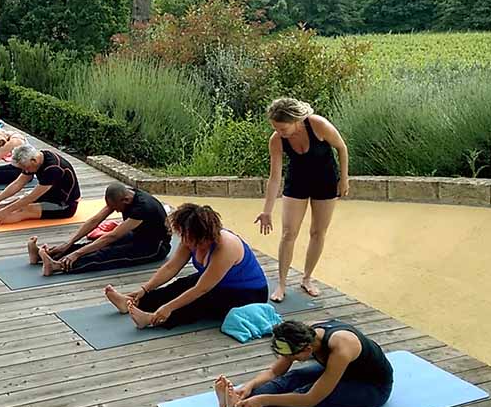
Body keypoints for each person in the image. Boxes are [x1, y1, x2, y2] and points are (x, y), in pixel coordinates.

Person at [104, 203, 268, 330]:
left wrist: (168, 308)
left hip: (248, 293)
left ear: (202, 235)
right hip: (219, 281)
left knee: (202, 300)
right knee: (180, 285)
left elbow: (201, 290)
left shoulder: (226, 247)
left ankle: (152, 319)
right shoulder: (189, 239)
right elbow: (171, 268)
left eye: (186, 236)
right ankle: (131, 302)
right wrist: (145, 289)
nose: (183, 239)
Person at [254, 97, 350, 302]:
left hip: (325, 181)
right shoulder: (277, 140)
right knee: (289, 233)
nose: (279, 132)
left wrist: (344, 179)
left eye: (282, 128)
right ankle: (281, 284)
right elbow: (274, 177)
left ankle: (307, 278)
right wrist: (267, 210)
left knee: (317, 232)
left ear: (295, 120)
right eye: (275, 128)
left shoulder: (319, 125)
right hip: (297, 182)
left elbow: (341, 148)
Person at [214, 319, 393, 407]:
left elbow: (309, 399)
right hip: (347, 372)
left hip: (373, 388)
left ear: (307, 350)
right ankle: (238, 404)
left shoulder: (342, 348)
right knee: (293, 377)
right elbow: (276, 372)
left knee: (310, 394)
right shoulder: (303, 335)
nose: (290, 360)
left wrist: (262, 400)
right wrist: (250, 386)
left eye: (294, 358)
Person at [29, 183, 172, 276]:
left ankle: (57, 266)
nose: (115, 212)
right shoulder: (123, 196)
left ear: (125, 201)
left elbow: (111, 237)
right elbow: (95, 220)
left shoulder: (143, 207)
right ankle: (49, 254)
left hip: (155, 247)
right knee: (90, 246)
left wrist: (77, 254)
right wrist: (68, 243)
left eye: (116, 209)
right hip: (138, 236)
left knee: (108, 254)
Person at [0, 144, 80, 225]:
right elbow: (18, 183)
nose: (25, 170)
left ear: (33, 161)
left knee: (25, 208)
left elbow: (31, 197)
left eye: (25, 167)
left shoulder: (53, 169)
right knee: (11, 203)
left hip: (65, 205)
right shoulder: (36, 159)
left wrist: (5, 211)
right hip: (49, 196)